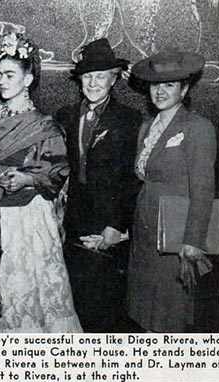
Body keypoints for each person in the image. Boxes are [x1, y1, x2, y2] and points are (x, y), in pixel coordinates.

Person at [0, 33, 82, 333]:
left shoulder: (44, 125)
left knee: (25, 297)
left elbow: (59, 171)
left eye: (10, 75)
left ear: (28, 80)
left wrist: (27, 177)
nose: (2, 81)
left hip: (27, 222)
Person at [54, 38, 142, 332]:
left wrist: (116, 226)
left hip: (108, 225)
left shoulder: (129, 120)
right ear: (79, 80)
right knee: (75, 304)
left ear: (114, 79)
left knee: (105, 307)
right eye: (88, 76)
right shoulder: (65, 116)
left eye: (101, 76)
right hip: (72, 223)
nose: (93, 83)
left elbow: (131, 180)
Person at [127, 50, 216, 332]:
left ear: (185, 88)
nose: (160, 91)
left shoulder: (198, 128)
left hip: (175, 237)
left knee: (168, 316)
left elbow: (203, 190)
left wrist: (192, 241)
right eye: (156, 84)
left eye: (169, 85)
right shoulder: (146, 127)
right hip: (143, 235)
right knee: (143, 314)